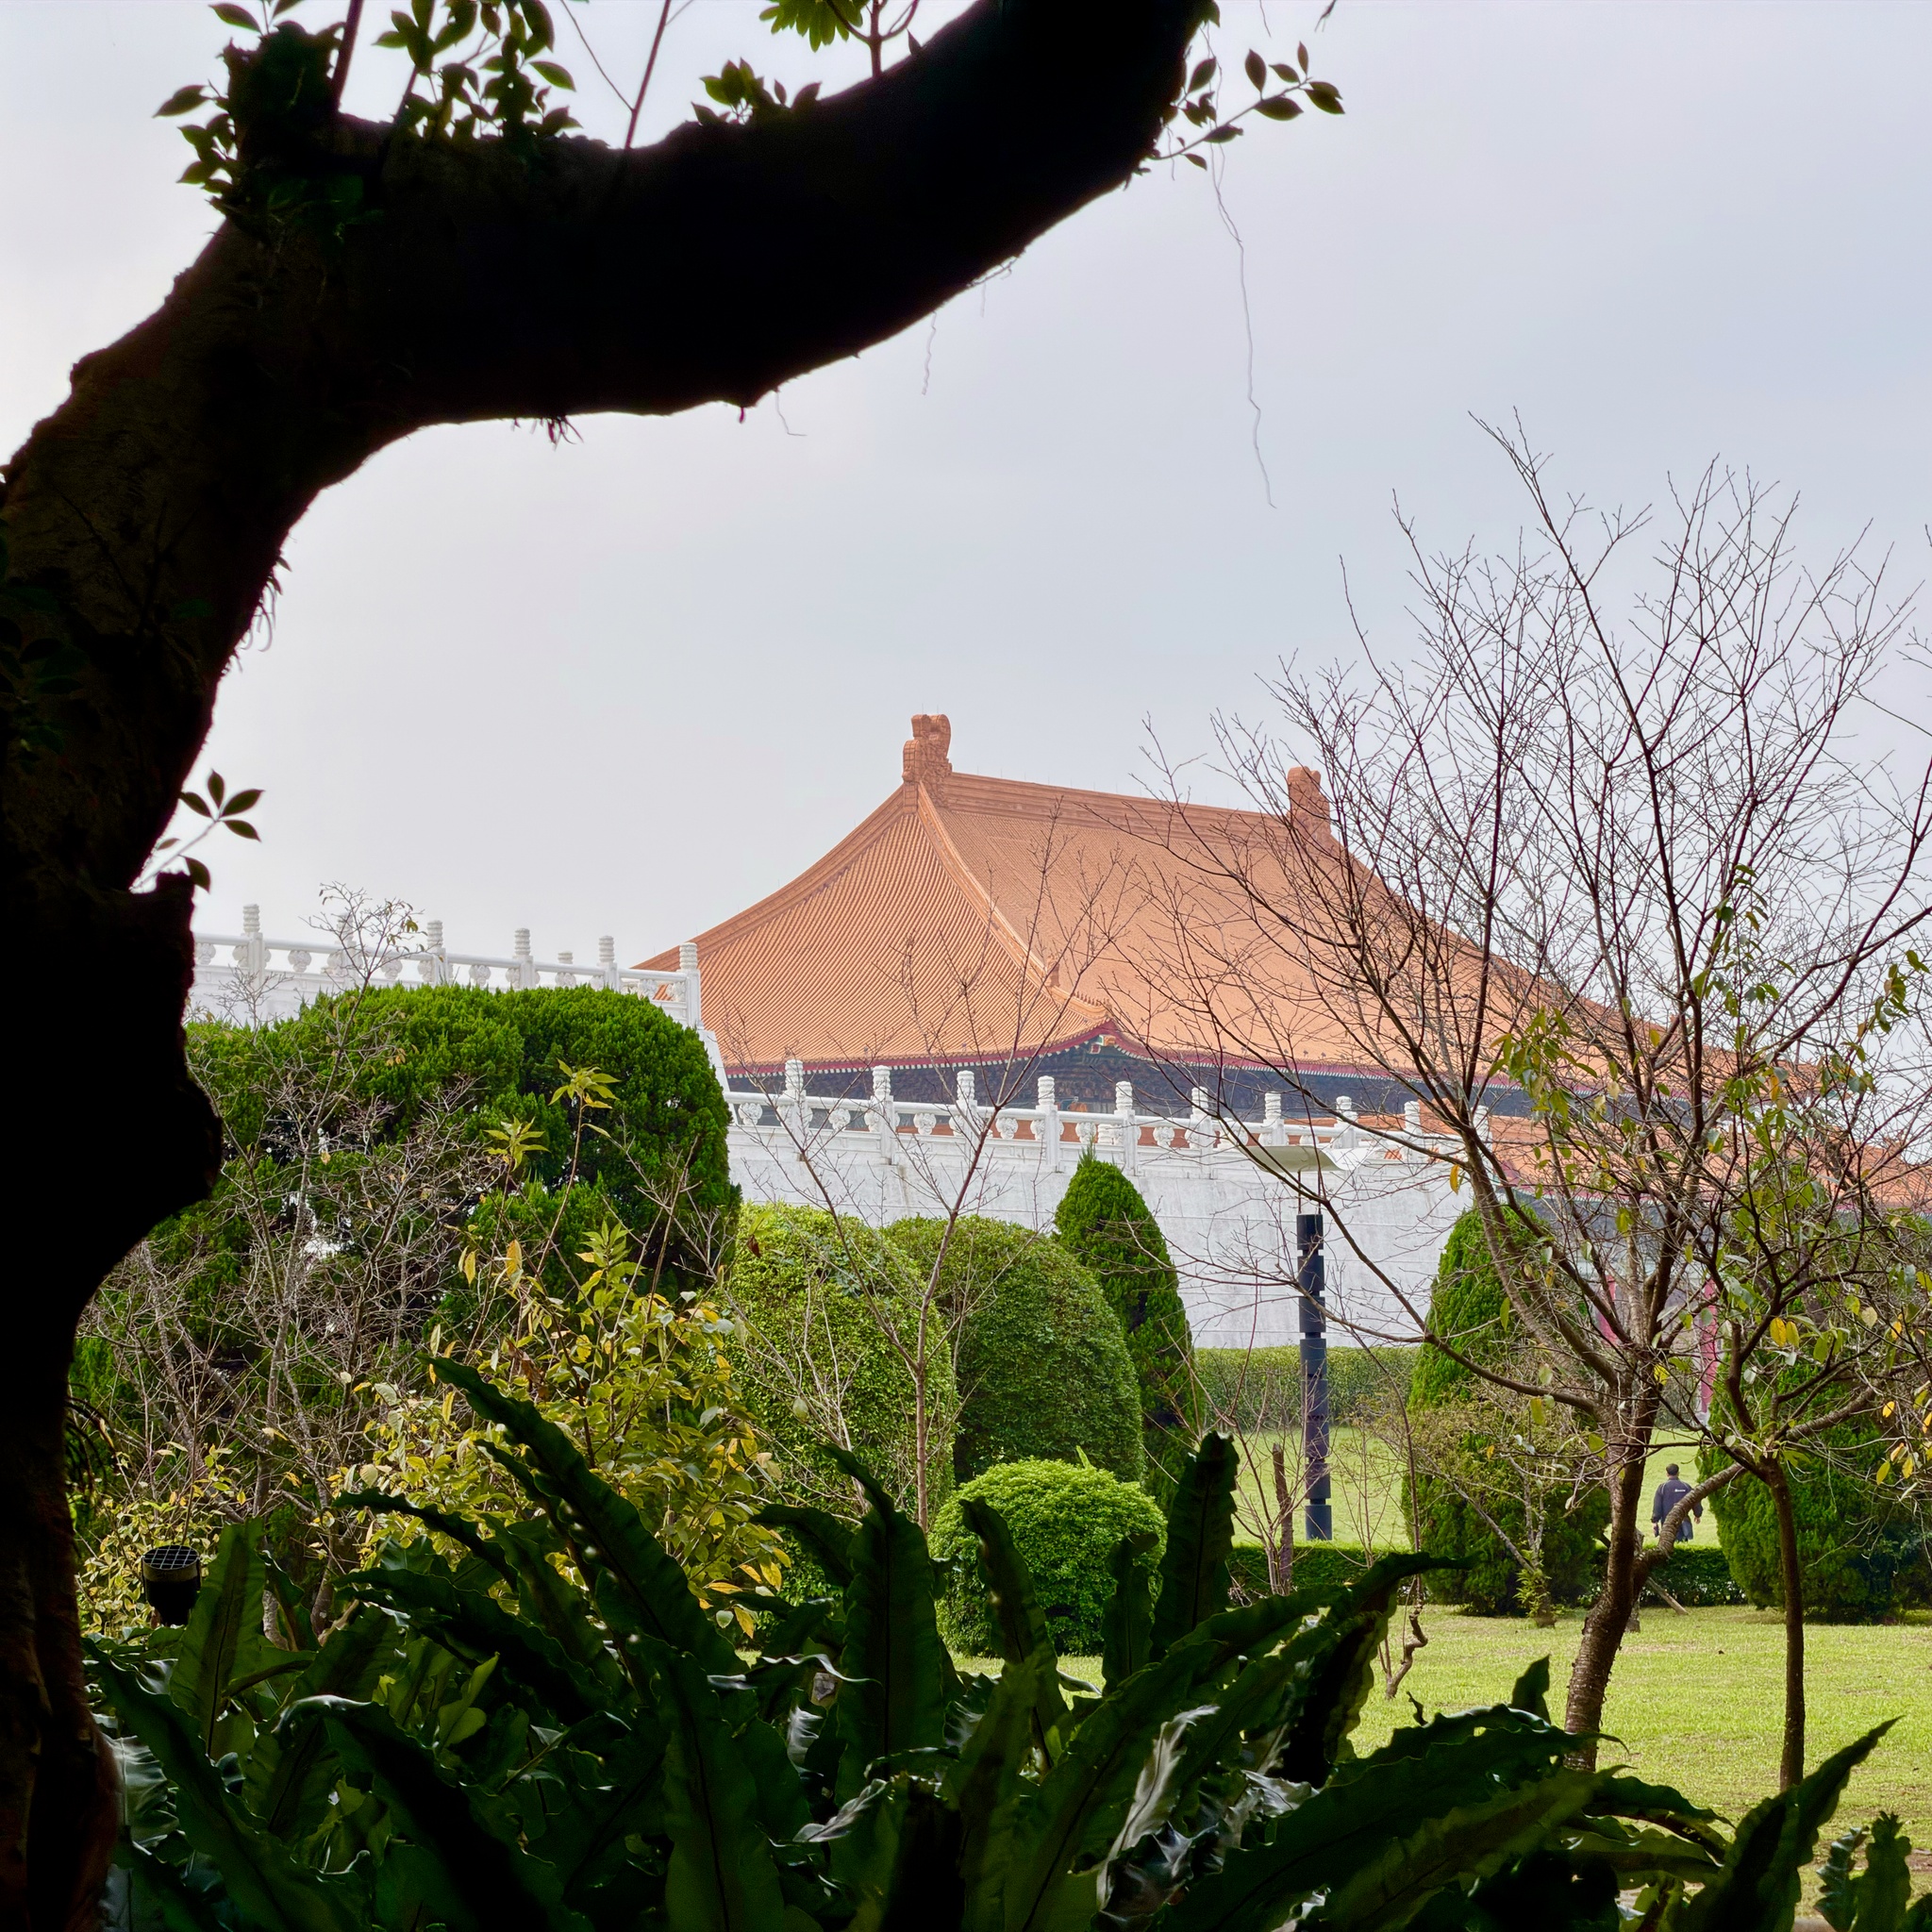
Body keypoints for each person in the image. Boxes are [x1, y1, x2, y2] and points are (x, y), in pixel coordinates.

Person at [1651, 1463, 1701, 1544]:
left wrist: (1655, 1521)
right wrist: (1697, 1514)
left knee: (1667, 1544)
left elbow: (1657, 1506)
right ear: (1678, 1473)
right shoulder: (1686, 1486)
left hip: (1667, 1522)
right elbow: (1695, 1500)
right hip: (1683, 1520)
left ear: (1667, 1474)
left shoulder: (1662, 1487)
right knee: (1683, 1544)